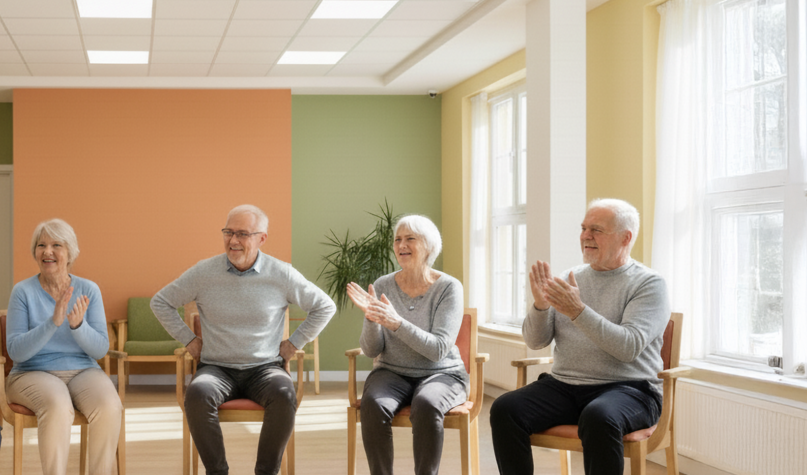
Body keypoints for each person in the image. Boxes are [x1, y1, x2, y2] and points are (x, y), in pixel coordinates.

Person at [150, 204, 337, 475]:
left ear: (262, 238)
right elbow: (161, 302)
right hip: (216, 368)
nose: (233, 240)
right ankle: (218, 471)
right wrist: (189, 340)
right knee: (198, 394)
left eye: (242, 234)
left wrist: (293, 344)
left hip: (265, 369)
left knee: (285, 395)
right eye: (228, 232)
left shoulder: (281, 273)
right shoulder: (204, 272)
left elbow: (325, 306)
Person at [489, 199, 671, 475]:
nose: (586, 236)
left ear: (626, 237)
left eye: (596, 230)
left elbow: (628, 347)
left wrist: (578, 311)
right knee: (505, 408)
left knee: (599, 416)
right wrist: (540, 306)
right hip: (564, 386)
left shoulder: (649, 284)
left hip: (629, 390)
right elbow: (536, 342)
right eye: (584, 228)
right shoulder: (569, 278)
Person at [349, 214, 467, 475]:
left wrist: (396, 323)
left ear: (428, 246)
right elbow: (371, 350)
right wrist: (372, 318)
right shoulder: (382, 285)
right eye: (398, 239)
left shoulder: (448, 288)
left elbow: (438, 350)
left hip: (442, 374)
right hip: (391, 371)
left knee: (426, 403)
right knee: (373, 404)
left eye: (410, 239)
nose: (401, 245)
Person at [5, 219, 122, 475]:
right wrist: (52, 323)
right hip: (31, 373)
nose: (47, 251)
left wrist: (79, 326)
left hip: (82, 370)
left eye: (56, 245)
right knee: (58, 405)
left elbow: (100, 349)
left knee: (109, 406)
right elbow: (16, 352)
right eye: (41, 245)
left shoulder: (88, 289)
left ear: (70, 252)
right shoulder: (22, 292)